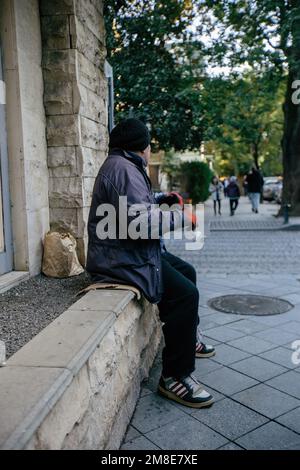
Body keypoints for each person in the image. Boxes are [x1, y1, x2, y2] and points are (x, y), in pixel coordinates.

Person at [86, 118, 215, 409]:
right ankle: (175, 377)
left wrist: (162, 199)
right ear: (140, 146)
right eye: (148, 144)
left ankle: (187, 339)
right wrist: (184, 218)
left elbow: (135, 205)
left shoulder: (123, 165)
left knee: (187, 272)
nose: (149, 149)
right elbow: (140, 223)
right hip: (121, 259)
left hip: (130, 252)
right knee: (186, 294)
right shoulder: (123, 170)